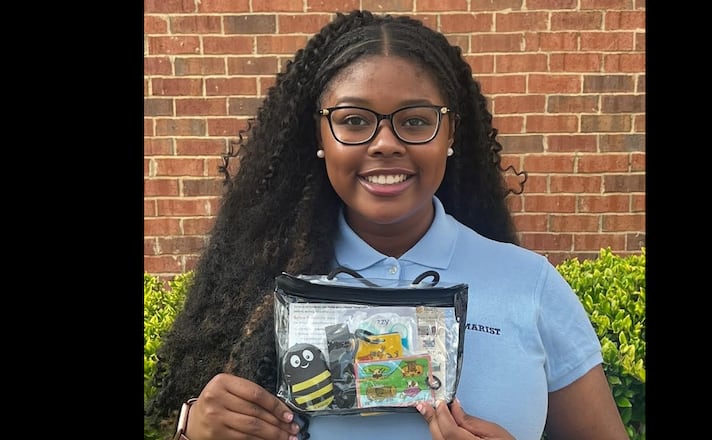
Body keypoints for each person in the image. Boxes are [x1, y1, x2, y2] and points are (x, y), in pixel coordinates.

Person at [145, 9, 629, 440]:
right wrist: (195, 430)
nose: (385, 144)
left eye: (415, 122)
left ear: (450, 132)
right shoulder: (254, 288)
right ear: (320, 135)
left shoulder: (530, 284)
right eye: (354, 121)